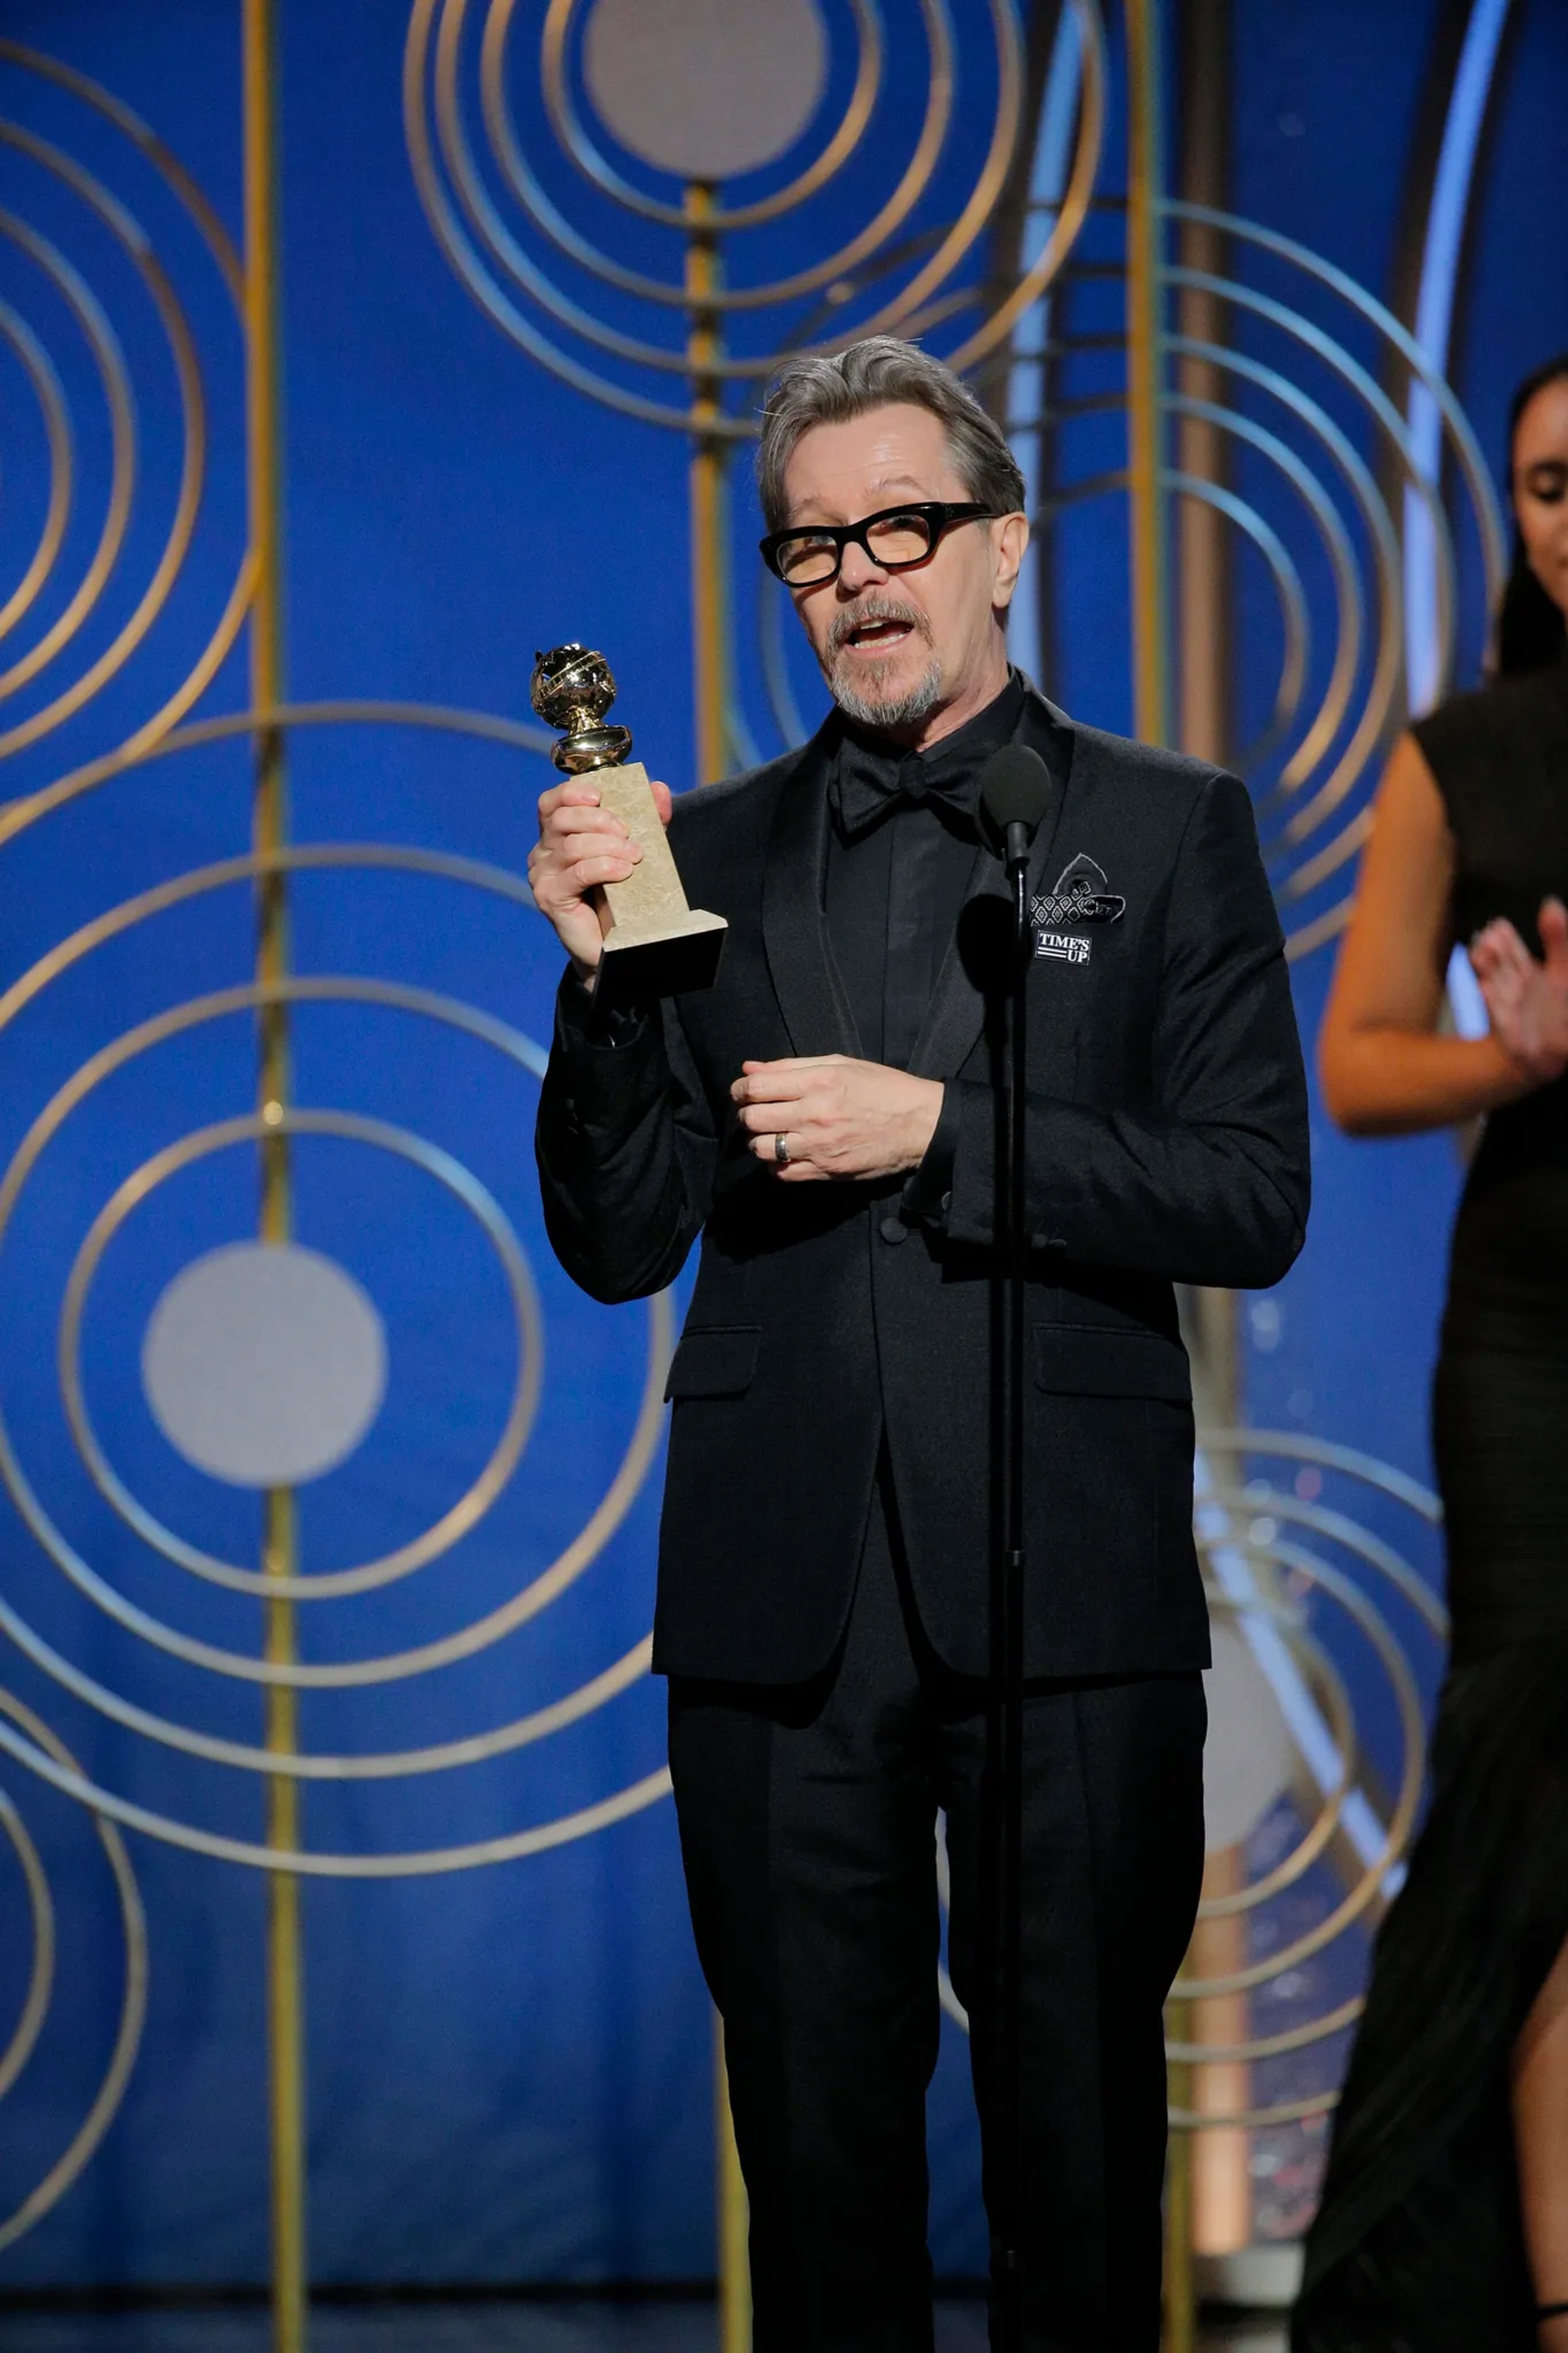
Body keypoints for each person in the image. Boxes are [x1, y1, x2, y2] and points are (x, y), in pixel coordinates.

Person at [531, 335, 1309, 2352]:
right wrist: (606, 996)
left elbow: (1250, 1193)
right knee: (818, 2186)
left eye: (902, 526)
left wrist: (945, 1132)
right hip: (782, 1610)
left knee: (1077, 2182)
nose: (859, 574)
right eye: (813, 547)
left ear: (1002, 548)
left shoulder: (1164, 825)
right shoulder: (704, 845)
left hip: (1071, 1592)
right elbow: (619, 1242)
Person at [1294, 353, 1568, 2353]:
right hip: (1541, 1339)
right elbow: (1361, 1061)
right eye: (1551, 487)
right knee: (1542, 1821)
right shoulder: (1464, 753)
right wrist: (1526, 1055)